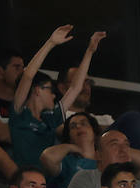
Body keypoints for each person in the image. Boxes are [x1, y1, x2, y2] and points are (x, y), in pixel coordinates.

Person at [9, 27, 100, 170]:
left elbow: (75, 88)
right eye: (50, 90)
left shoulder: (50, 118)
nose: (53, 95)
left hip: (48, 184)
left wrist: (89, 52)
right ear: (37, 90)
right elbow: (28, 76)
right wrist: (50, 43)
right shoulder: (20, 113)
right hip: (25, 181)